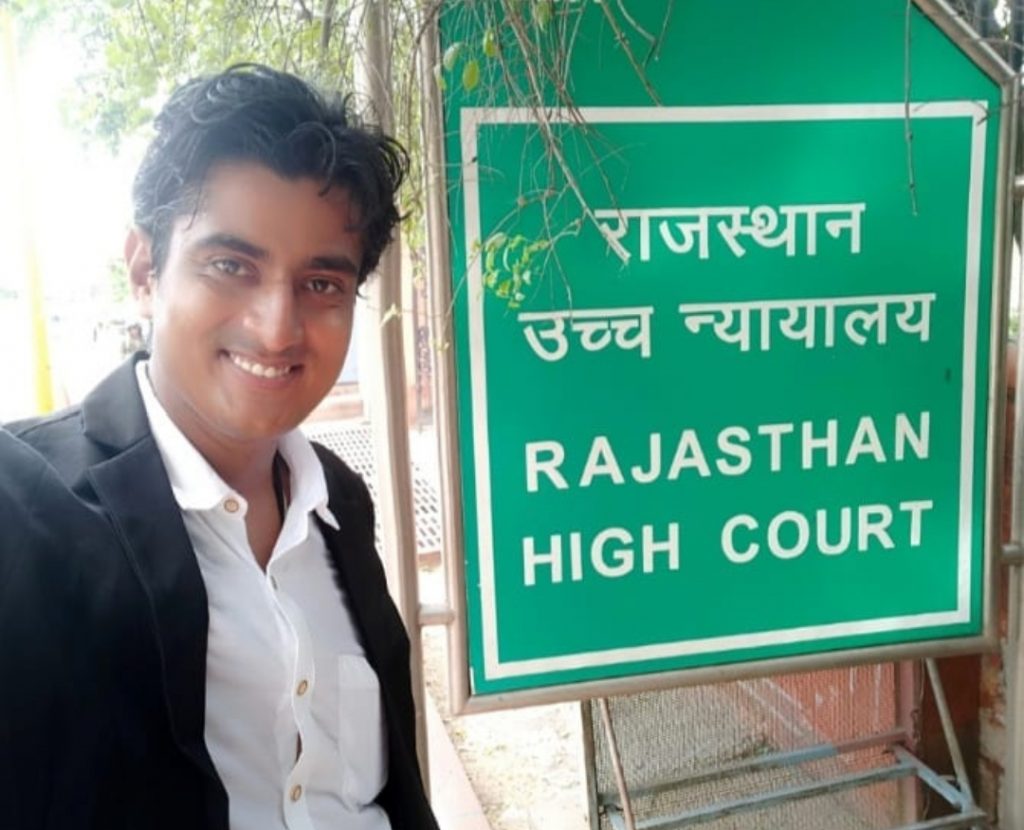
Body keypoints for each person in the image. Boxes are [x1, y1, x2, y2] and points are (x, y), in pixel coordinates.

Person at [0, 64, 440, 830]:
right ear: (146, 271)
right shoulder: (26, 511)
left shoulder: (338, 502)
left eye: (321, 284)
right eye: (231, 266)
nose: (277, 328)